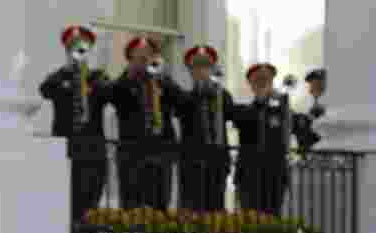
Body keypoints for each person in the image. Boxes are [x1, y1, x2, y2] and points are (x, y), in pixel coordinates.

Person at [39, 25, 113, 226]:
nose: (77, 50)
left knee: (89, 210)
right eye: (72, 46)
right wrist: (68, 71)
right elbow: (44, 90)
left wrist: (89, 79)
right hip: (67, 153)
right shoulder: (59, 78)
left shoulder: (97, 77)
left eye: (81, 47)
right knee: (65, 208)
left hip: (92, 153)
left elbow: (111, 93)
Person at [106, 36, 184, 210]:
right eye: (139, 56)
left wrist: (164, 77)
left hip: (161, 154)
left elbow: (182, 102)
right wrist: (130, 72)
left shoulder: (163, 82)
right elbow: (112, 94)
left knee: (160, 208)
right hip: (132, 155)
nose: (145, 59)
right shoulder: (124, 84)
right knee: (131, 207)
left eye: (149, 54)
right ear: (130, 58)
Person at [229, 63, 295, 216]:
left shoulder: (280, 110)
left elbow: (291, 126)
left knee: (273, 222)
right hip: (249, 176)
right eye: (258, 81)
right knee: (249, 221)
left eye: (267, 81)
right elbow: (245, 119)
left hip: (274, 175)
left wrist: (282, 101)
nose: (263, 85)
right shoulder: (244, 111)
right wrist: (262, 102)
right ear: (251, 85)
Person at [174, 45, 234, 212]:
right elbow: (179, 107)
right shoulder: (185, 98)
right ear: (190, 71)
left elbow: (234, 115)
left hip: (217, 162)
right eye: (197, 66)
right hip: (192, 164)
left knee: (216, 211)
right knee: (191, 211)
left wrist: (216, 90)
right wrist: (201, 91)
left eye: (207, 66)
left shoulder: (223, 95)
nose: (202, 71)